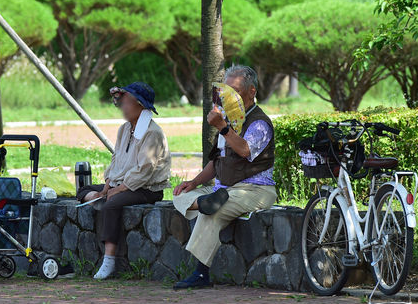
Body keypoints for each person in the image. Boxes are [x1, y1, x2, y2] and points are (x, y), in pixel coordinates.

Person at [172, 65, 277, 289]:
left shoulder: (259, 123)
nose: (229, 97)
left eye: (235, 91)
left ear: (251, 92)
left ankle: (201, 274)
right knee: (180, 195)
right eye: (226, 91)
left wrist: (223, 128)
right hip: (225, 190)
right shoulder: (229, 119)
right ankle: (202, 201)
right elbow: (217, 160)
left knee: (214, 210)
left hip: (255, 190)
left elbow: (245, 151)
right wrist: (193, 182)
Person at [77, 82, 171, 280]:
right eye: (124, 102)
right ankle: (97, 197)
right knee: (83, 189)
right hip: (123, 184)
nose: (123, 107)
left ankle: (109, 260)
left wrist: (118, 190)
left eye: (128, 102)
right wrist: (106, 186)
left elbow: (145, 170)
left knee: (111, 206)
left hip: (146, 188)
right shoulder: (124, 129)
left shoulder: (152, 133)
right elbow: (116, 159)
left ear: (140, 106)